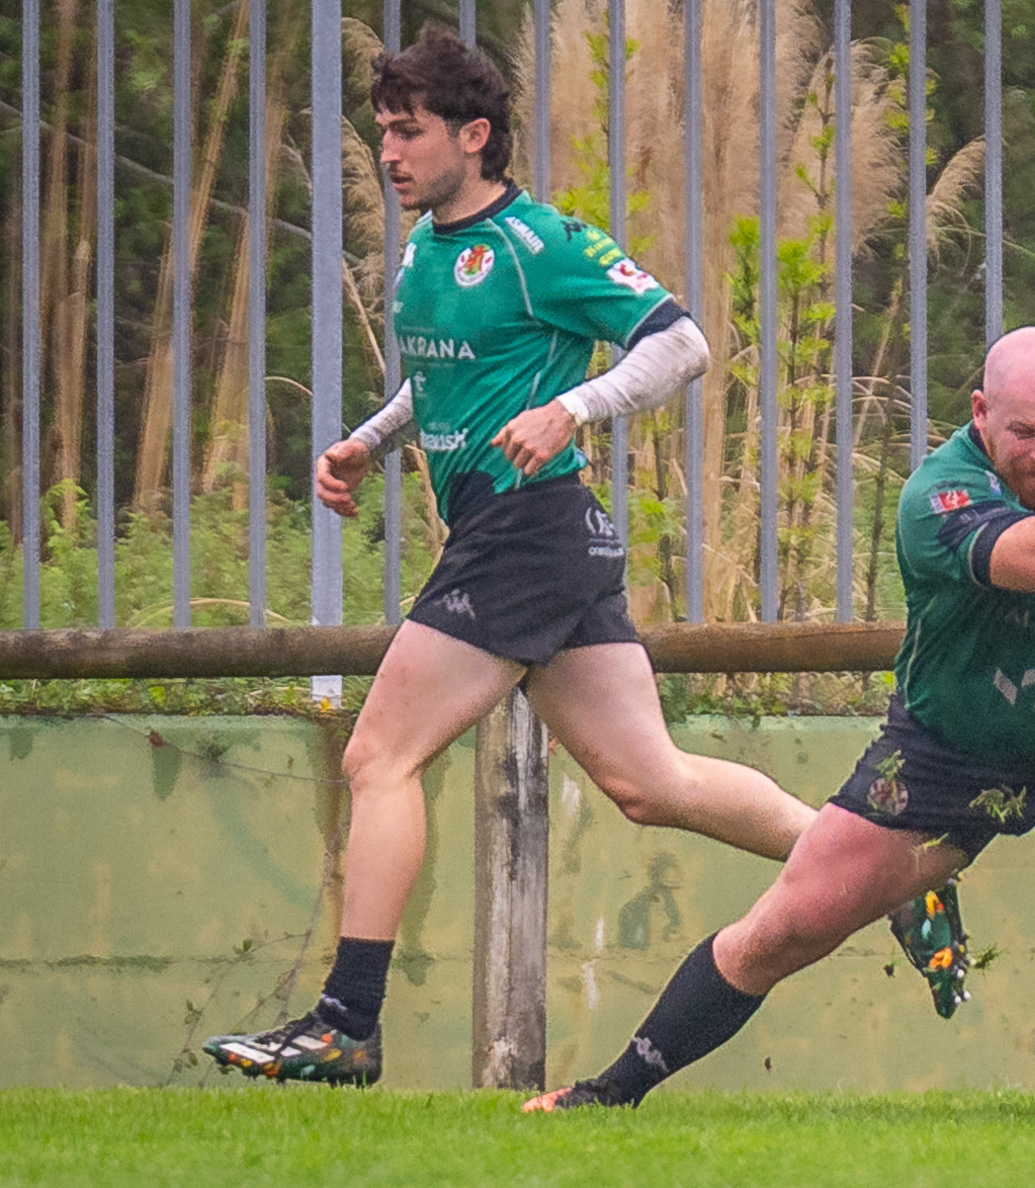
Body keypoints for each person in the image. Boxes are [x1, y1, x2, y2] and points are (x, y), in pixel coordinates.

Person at [522, 327, 1035, 1114]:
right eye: (1024, 433)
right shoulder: (939, 493)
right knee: (782, 928)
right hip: (945, 755)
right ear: (980, 414)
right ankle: (607, 1093)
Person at [203, 30, 815, 1087]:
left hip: (522, 529)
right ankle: (874, 867)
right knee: (647, 779)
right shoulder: (424, 250)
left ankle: (348, 1024)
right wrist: (372, 437)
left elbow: (682, 342)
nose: (389, 153)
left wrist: (572, 408)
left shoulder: (543, 243)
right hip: (533, 538)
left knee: (376, 757)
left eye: (409, 133)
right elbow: (448, 377)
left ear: (474, 136)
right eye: (382, 132)